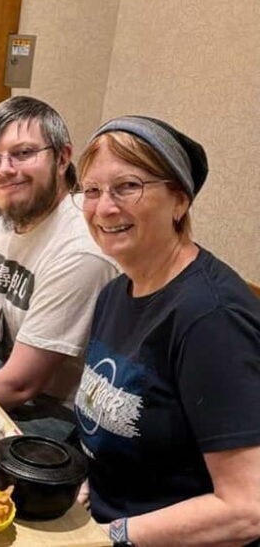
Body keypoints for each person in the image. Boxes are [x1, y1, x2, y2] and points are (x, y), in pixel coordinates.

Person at [72, 116, 260, 546]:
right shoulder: (117, 292)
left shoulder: (212, 318)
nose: (104, 208)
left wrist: (106, 537)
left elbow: (247, 508)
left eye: (127, 187)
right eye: (92, 190)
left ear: (179, 200)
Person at [0, 96, 118, 442]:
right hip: (7, 373)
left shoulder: (80, 248)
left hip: (62, 410)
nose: (5, 170)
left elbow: (23, 384)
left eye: (23, 153)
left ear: (62, 158)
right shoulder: (8, 224)